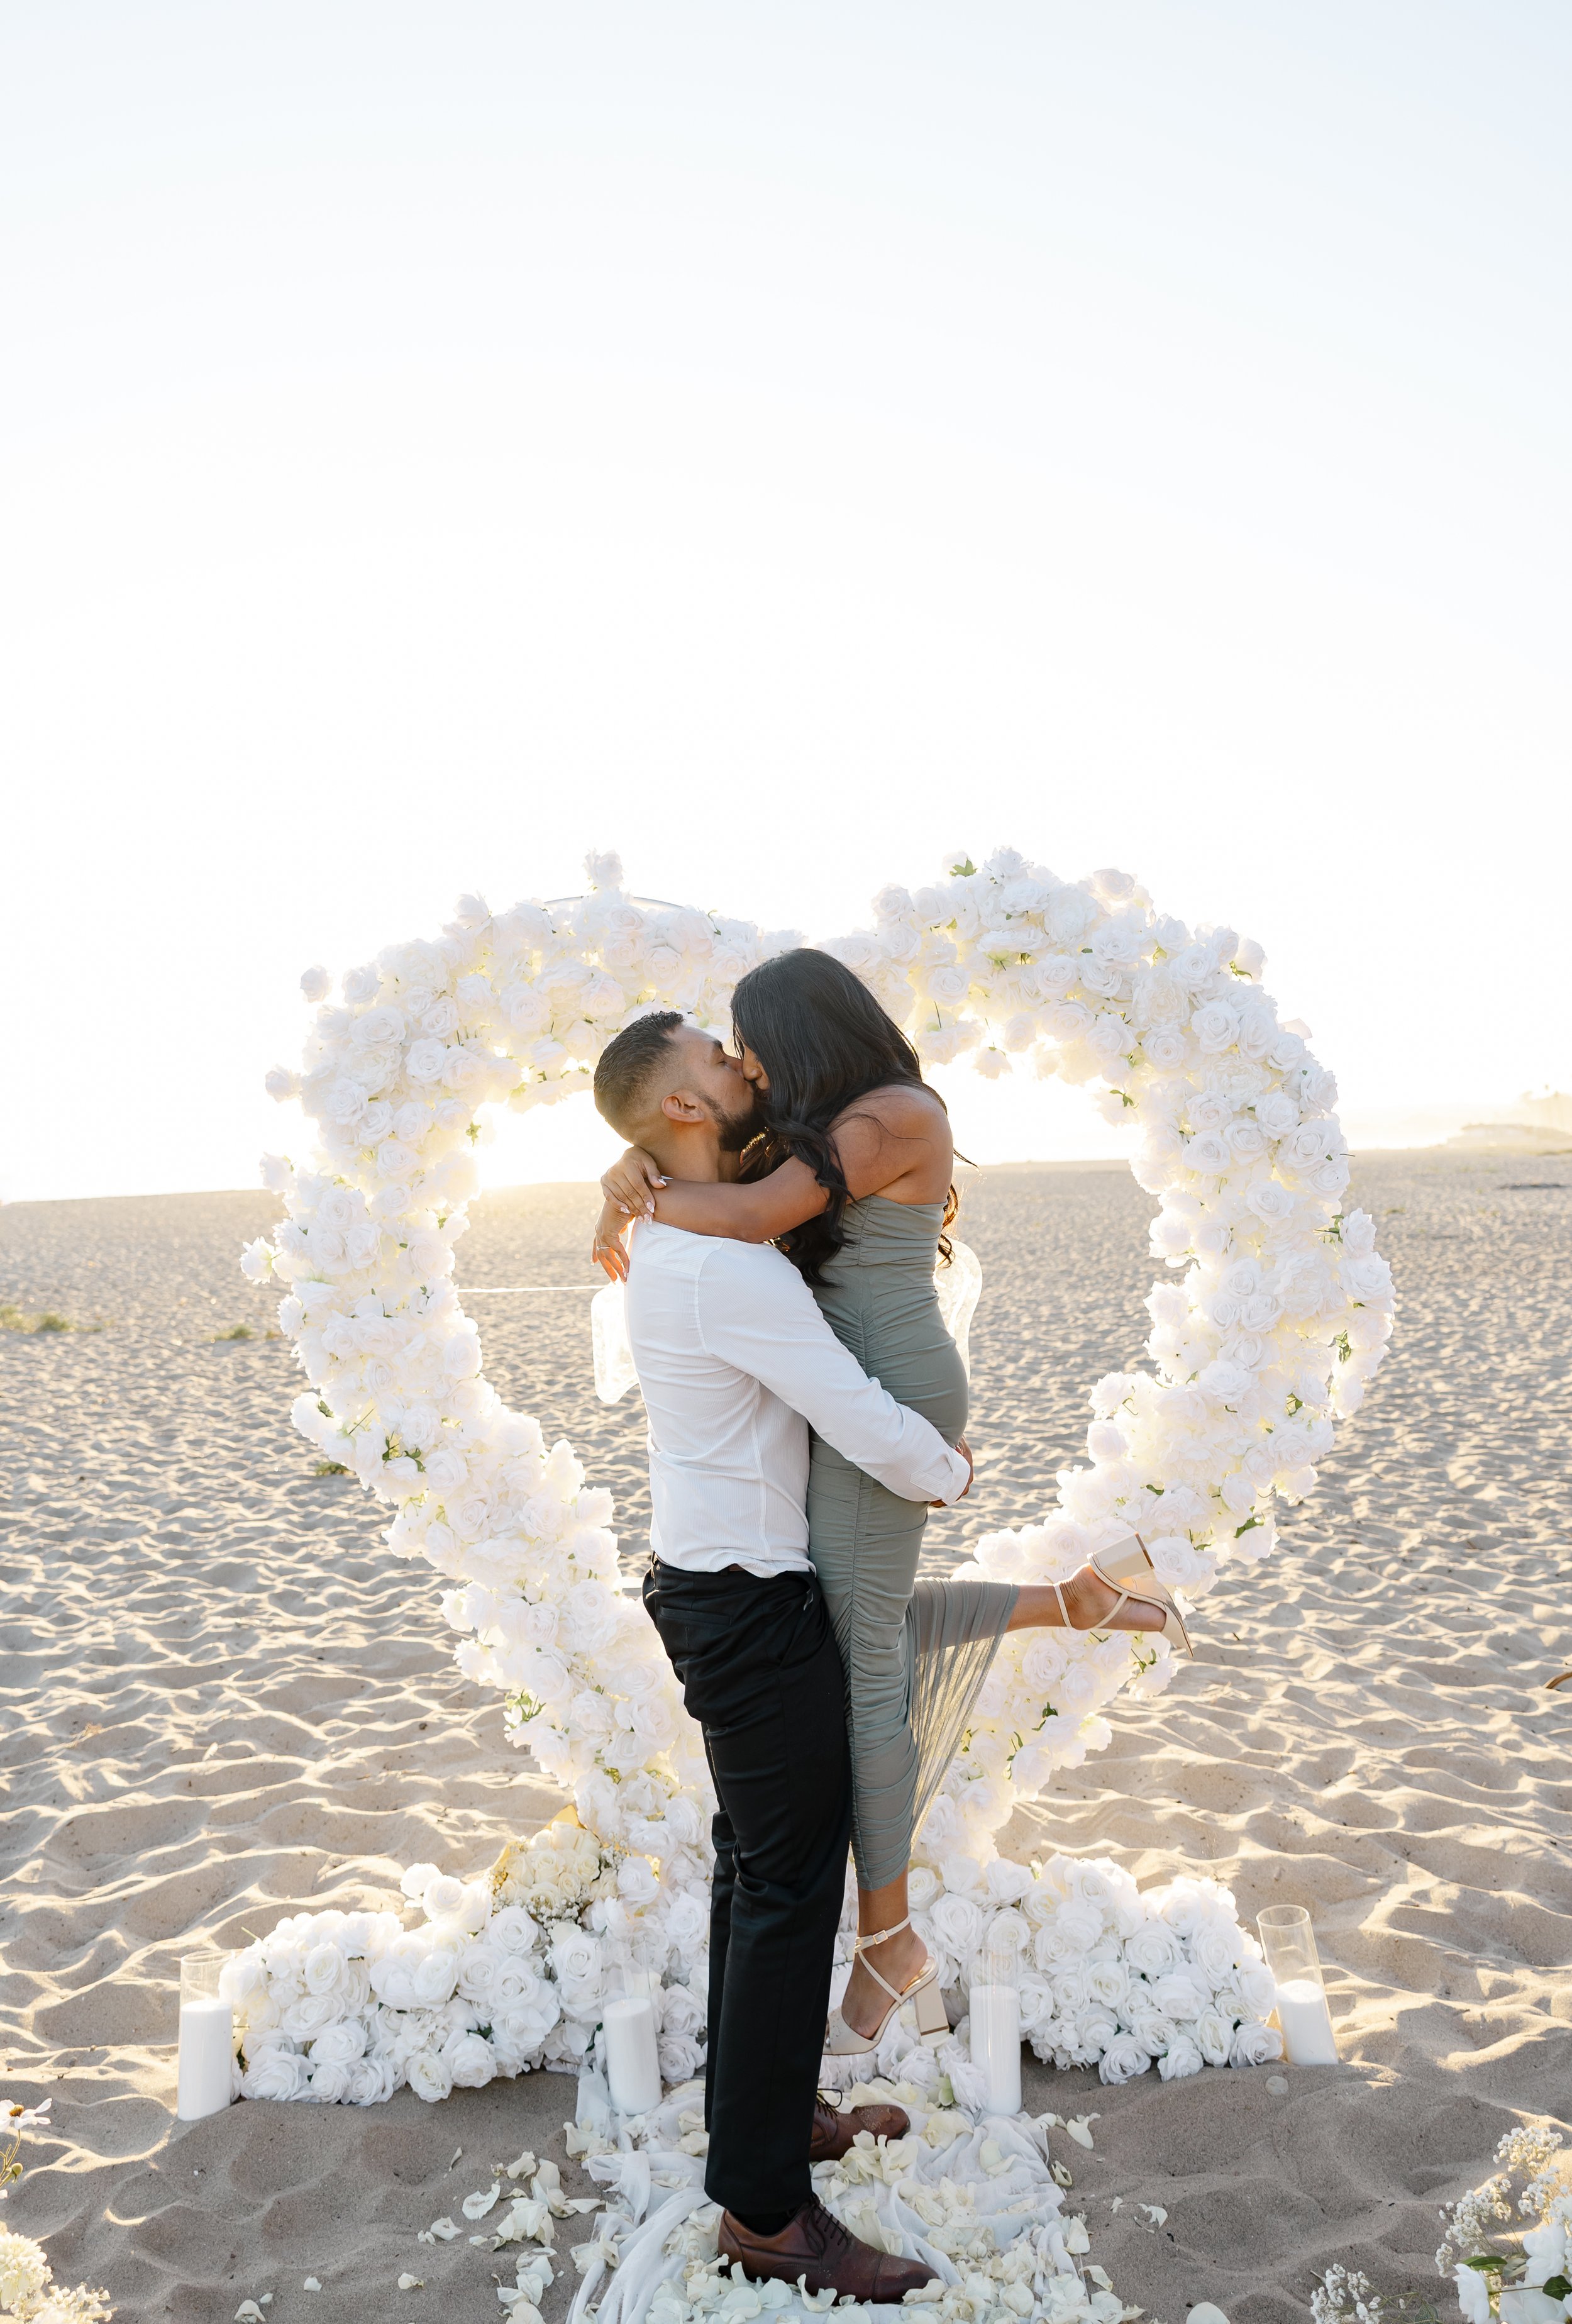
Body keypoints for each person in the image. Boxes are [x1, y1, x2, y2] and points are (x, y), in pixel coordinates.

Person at [593, 953, 1190, 2057]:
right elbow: (732, 1171)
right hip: (852, 1385)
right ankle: (1083, 1596)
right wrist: (632, 1165)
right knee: (850, 1632)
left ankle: (890, 1943)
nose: (751, 1065)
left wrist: (642, 1187)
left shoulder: (888, 1115)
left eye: (752, 1043)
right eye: (730, 1056)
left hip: (887, 1392)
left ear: (802, 1030)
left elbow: (758, 1206)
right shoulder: (832, 1120)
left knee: (864, 1662)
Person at [592, 1010, 963, 2301]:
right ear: (679, 1108)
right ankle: (761, 2212)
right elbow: (848, 1408)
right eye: (712, 1054)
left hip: (713, 1589)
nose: (739, 1063)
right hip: (743, 1605)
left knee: (755, 1870)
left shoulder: (678, 1230)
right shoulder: (722, 1263)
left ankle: (771, 2117)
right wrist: (944, 1469)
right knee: (789, 1884)